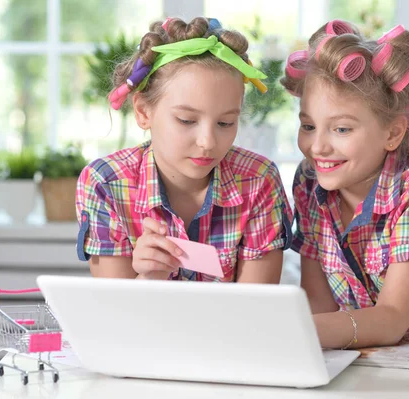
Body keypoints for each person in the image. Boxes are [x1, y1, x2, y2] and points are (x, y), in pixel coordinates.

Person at [281, 21, 409, 349]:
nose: (317, 147)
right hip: (370, 355)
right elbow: (318, 304)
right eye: (308, 125)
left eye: (341, 129)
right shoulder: (309, 180)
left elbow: (390, 319)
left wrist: (292, 331)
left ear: (392, 133)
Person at [75, 17, 292, 283]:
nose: (208, 142)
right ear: (143, 112)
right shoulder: (105, 183)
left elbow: (258, 311)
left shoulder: (258, 180)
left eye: (225, 123)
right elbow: (114, 318)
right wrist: (148, 278)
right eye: (186, 121)